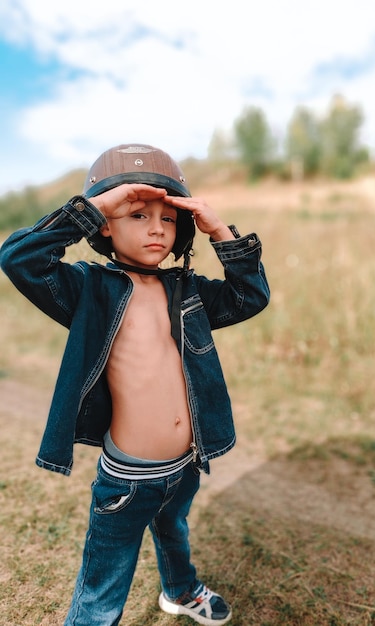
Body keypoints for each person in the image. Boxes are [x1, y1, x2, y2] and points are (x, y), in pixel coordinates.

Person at [0, 144, 270, 626]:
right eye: (138, 214)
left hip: (188, 460)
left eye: (168, 219)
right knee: (103, 586)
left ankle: (181, 591)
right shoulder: (88, 290)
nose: (156, 229)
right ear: (105, 225)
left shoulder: (185, 289)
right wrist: (98, 205)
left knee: (173, 528)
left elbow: (249, 296)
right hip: (128, 477)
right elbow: (19, 257)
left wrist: (219, 231)